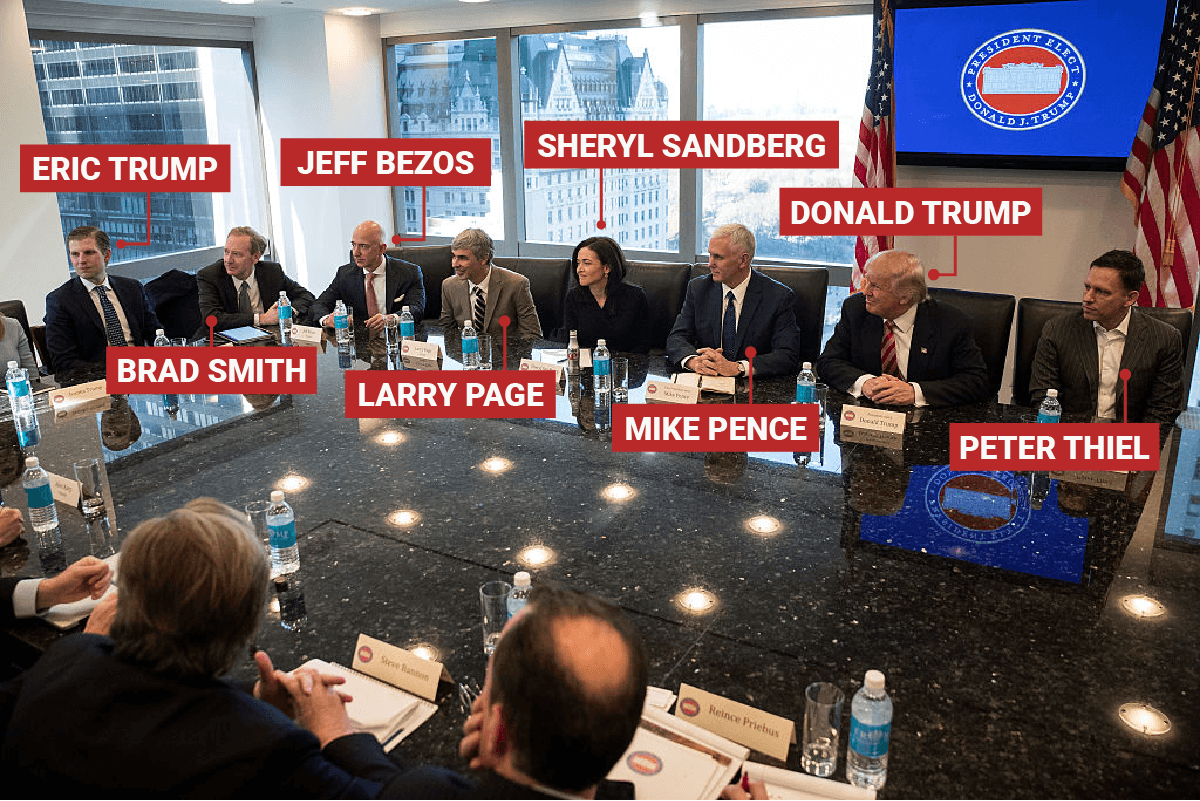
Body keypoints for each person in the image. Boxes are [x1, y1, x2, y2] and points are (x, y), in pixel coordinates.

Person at [0, 498, 382, 798]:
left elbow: (164, 702)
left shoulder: (64, 659)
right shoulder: (265, 748)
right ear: (245, 624)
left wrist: (252, 699)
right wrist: (337, 738)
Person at [284, 585, 648, 799]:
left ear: (498, 727)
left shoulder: (428, 791)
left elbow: (397, 790)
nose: (478, 701)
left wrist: (333, 734)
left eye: (488, 686)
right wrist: (504, 761)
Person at [1030, 249, 1184, 425]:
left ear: (1130, 298)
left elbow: (1163, 411)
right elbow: (1042, 397)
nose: (1087, 298)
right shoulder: (1058, 330)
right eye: (1087, 287)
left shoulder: (1164, 339)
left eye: (1102, 292)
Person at [817, 250, 989, 407]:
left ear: (904, 297)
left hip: (925, 421)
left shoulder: (951, 321)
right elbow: (828, 362)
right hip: (867, 416)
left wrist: (915, 392)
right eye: (866, 281)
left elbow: (976, 381)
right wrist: (865, 383)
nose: (865, 292)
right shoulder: (856, 309)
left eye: (875, 286)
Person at [667, 223, 800, 378]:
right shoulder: (698, 289)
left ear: (743, 260)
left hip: (752, 387)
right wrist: (695, 362)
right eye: (710, 255)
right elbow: (677, 338)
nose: (710, 264)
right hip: (708, 380)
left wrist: (738, 368)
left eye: (718, 257)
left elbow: (787, 355)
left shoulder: (778, 297)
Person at [44, 225, 160, 377]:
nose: (81, 260)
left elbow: (155, 334)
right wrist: (123, 369)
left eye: (89, 253)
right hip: (100, 379)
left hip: (143, 372)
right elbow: (63, 362)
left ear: (106, 255)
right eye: (75, 254)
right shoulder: (60, 300)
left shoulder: (132, 288)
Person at [310, 220, 425, 334]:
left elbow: (416, 309)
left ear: (382, 249)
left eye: (363, 246)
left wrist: (391, 319)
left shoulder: (409, 273)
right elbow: (319, 304)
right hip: (360, 340)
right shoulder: (344, 274)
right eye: (353, 245)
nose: (356, 253)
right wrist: (326, 319)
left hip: (397, 338)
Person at [196, 226, 315, 333]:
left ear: (255, 257)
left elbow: (306, 296)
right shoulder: (210, 276)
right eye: (226, 252)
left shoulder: (272, 272)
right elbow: (212, 319)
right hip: (225, 341)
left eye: (236, 254)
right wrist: (262, 319)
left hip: (267, 338)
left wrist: (286, 312)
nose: (228, 260)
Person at [440, 228, 542, 340]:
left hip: (506, 350)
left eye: (463, 258)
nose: (454, 264)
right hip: (467, 350)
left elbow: (532, 335)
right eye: (454, 256)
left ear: (484, 258)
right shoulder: (449, 286)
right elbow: (447, 332)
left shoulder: (517, 285)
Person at [560, 237, 651, 354]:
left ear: (606, 268)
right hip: (585, 363)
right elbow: (570, 341)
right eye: (578, 263)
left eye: (587, 263)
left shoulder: (635, 297)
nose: (579, 269)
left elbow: (643, 345)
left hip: (624, 363)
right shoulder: (573, 297)